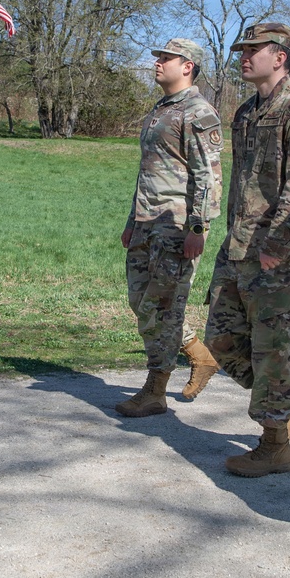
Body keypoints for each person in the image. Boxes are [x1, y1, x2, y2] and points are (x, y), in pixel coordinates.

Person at [203, 23, 290, 477]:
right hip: (238, 246)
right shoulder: (247, 111)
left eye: (254, 49)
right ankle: (289, 393)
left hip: (278, 253)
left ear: (280, 57)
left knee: (272, 348)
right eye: (243, 49)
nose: (244, 56)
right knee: (219, 336)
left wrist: (279, 240)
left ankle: (274, 444)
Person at [116, 38, 223, 418]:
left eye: (166, 58)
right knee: (140, 302)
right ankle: (198, 354)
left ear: (188, 65)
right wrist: (132, 220)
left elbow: (207, 176)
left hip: (176, 225)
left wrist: (198, 227)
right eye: (157, 57)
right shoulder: (161, 109)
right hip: (147, 222)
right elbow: (146, 172)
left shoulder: (198, 112)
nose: (157, 63)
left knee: (165, 306)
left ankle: (155, 390)